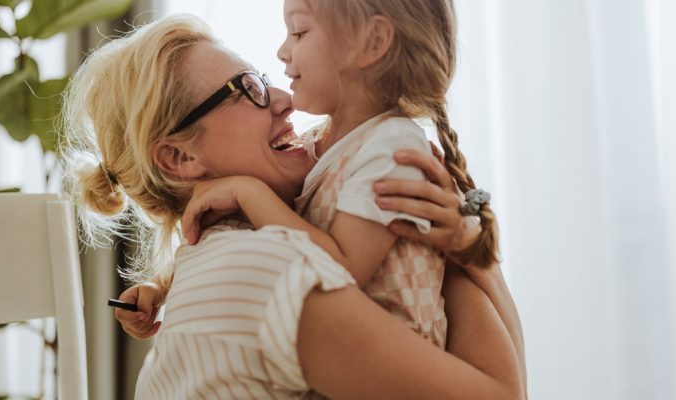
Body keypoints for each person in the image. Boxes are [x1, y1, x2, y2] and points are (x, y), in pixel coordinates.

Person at [63, 13, 524, 399]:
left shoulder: (244, 249)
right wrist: (450, 245)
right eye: (248, 88)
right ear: (181, 158)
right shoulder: (260, 270)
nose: (284, 100)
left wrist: (464, 242)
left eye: (265, 80)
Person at [181, 0, 497, 350]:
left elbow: (341, 270)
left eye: (299, 32)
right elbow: (269, 241)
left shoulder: (392, 147)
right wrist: (167, 290)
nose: (282, 52)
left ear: (373, 42)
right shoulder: (318, 144)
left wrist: (248, 193)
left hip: (394, 369)